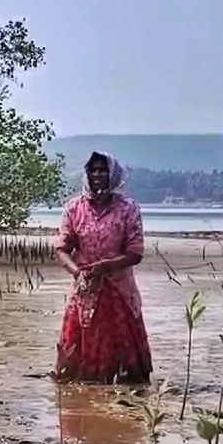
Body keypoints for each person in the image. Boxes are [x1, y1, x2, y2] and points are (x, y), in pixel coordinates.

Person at [53, 151, 153, 384]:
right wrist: (77, 272)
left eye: (103, 170)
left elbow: (135, 253)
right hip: (85, 288)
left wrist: (106, 266)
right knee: (77, 364)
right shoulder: (74, 208)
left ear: (113, 174)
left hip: (119, 290)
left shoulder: (128, 208)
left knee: (125, 364)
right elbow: (62, 248)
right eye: (93, 170)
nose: (97, 174)